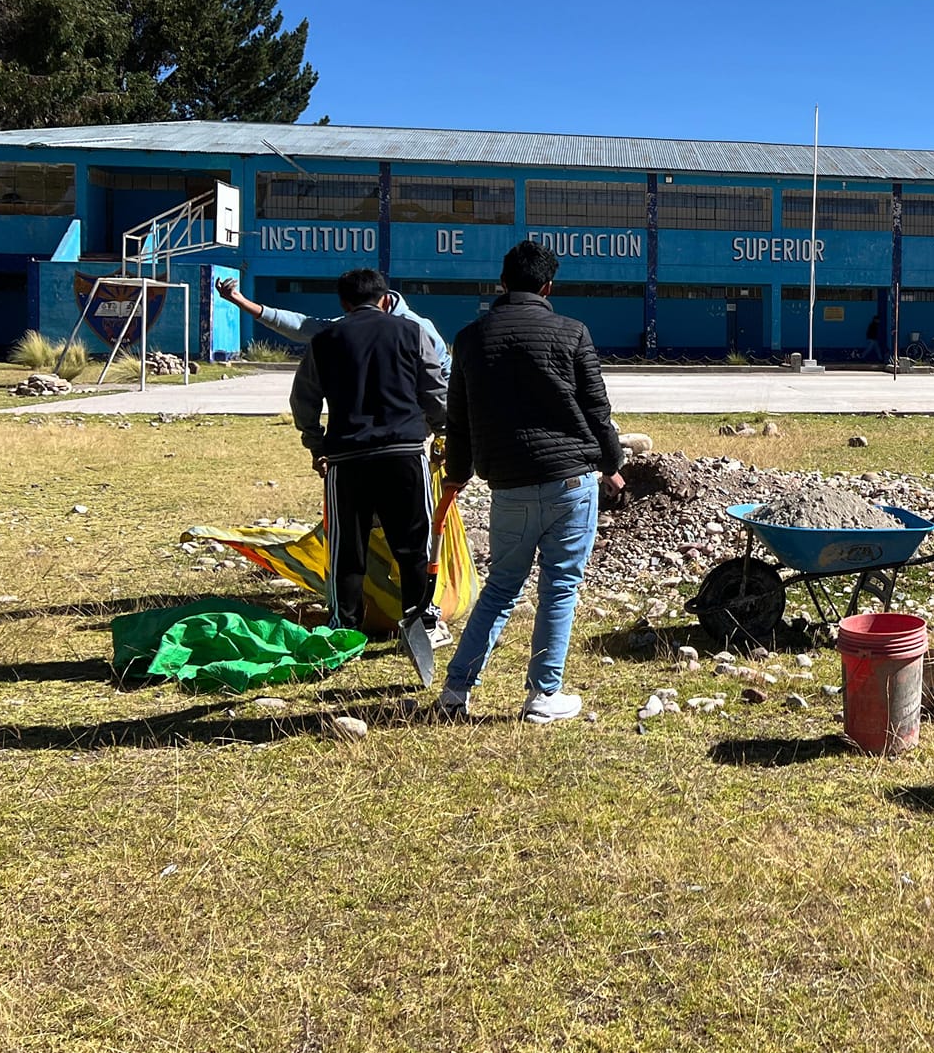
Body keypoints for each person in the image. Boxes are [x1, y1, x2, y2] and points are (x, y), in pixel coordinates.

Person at [438, 241, 626, 725]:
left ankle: (456, 690)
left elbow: (456, 420)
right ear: (548, 286)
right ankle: (544, 695)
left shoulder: (471, 338)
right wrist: (612, 462)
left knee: (501, 586)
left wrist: (455, 477)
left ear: (502, 284)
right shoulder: (572, 332)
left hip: (509, 486)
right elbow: (596, 408)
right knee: (560, 586)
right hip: (570, 481)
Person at [288, 267, 449, 685]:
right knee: (414, 545)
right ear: (384, 298)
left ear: (343, 304)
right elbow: (435, 391)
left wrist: (317, 444)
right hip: (405, 454)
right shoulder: (412, 333)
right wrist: (443, 430)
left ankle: (345, 628)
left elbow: (303, 400)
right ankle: (419, 621)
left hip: (348, 459)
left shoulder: (325, 341)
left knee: (348, 547)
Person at [216, 275, 450, 371]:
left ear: (386, 300)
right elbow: (303, 327)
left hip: (409, 432)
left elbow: (443, 373)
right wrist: (242, 301)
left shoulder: (417, 329)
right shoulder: (347, 327)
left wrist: (440, 424)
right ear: (346, 307)